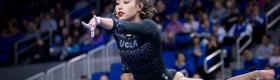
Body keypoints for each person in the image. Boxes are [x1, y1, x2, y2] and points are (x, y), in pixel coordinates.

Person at [82, 0, 275, 80]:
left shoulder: (149, 26)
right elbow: (126, 67)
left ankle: (255, 74)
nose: (119, 6)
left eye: (126, 2)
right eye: (117, 3)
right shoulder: (120, 34)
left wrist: (98, 20)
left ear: (139, 6)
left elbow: (120, 25)